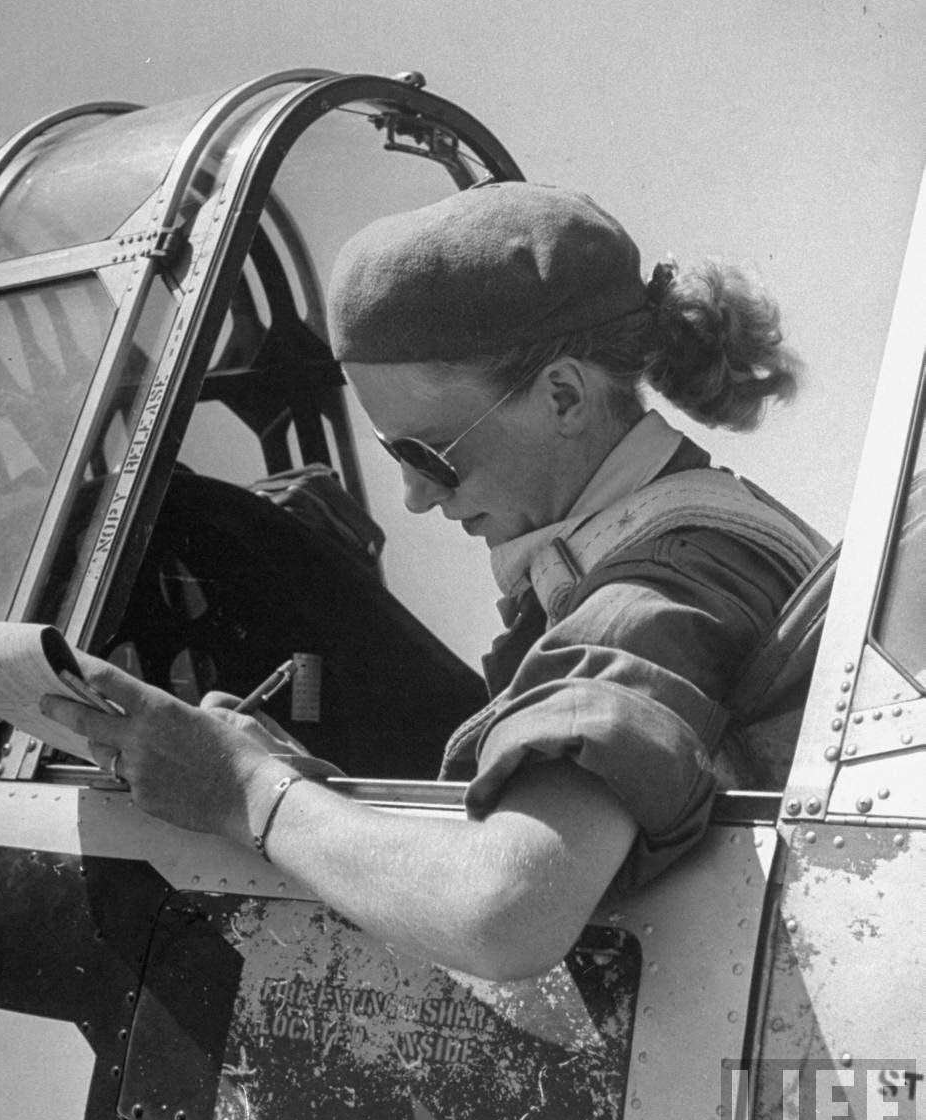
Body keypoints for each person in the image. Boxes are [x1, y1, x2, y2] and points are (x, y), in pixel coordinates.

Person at [42, 181, 827, 981]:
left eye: (429, 454)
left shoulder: (652, 597)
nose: (416, 498)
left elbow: (502, 914)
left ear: (563, 396)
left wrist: (241, 788)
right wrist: (313, 795)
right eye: (396, 457)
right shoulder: (714, 523)